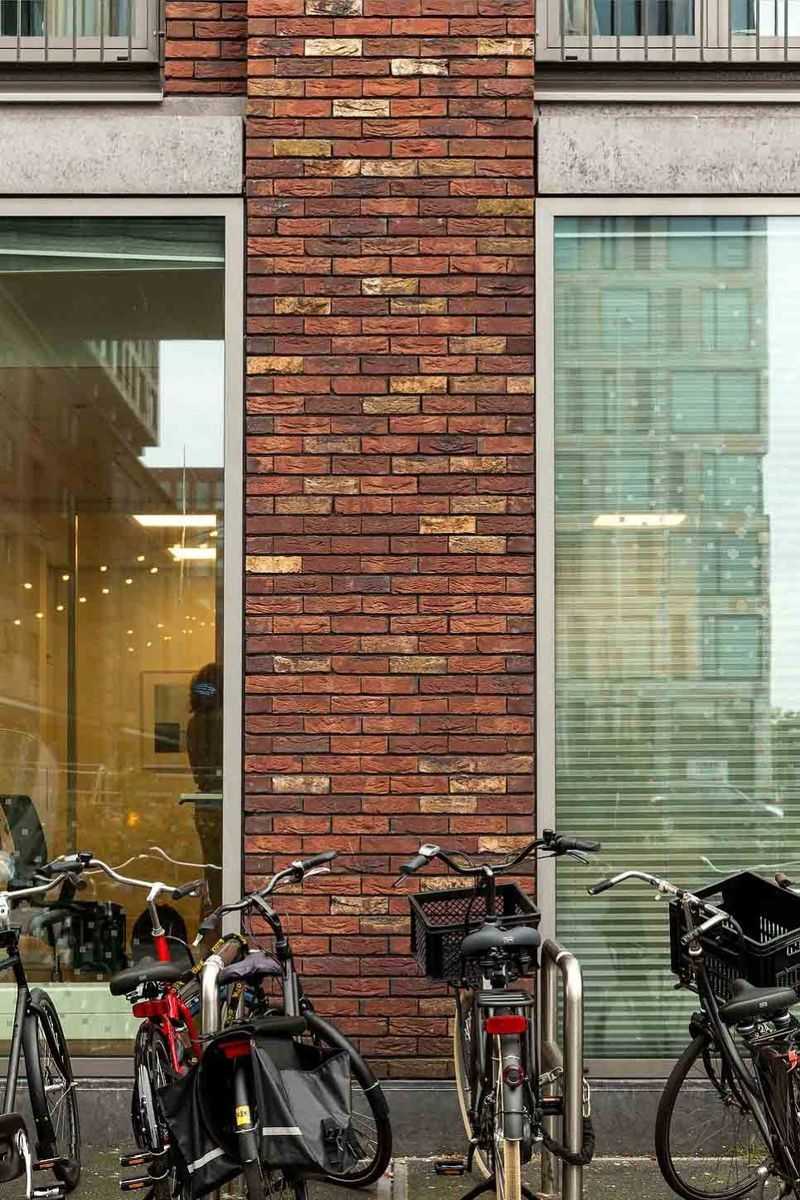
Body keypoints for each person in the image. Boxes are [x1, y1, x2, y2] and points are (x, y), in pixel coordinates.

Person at [186, 663, 222, 908]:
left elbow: (198, 768)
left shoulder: (195, 723)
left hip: (204, 803)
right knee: (228, 873)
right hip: (221, 802)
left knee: (212, 872)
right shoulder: (224, 720)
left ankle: (213, 917)